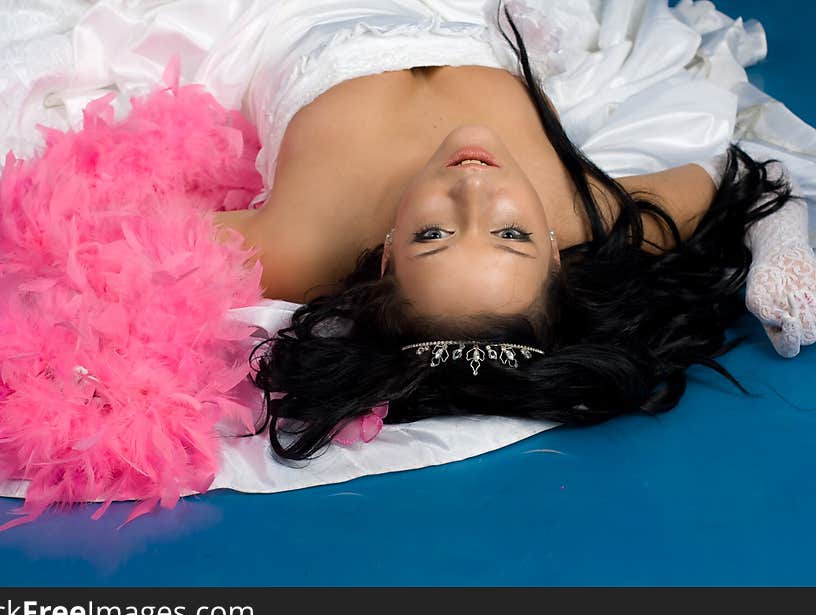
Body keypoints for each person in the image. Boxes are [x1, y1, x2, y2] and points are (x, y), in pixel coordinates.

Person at [212, 1, 815, 460]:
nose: (475, 189)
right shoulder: (584, 214)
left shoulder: (294, 246)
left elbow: (124, 254)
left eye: (432, 235)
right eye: (512, 235)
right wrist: (781, 253)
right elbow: (748, 179)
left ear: (389, 255)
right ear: (555, 254)